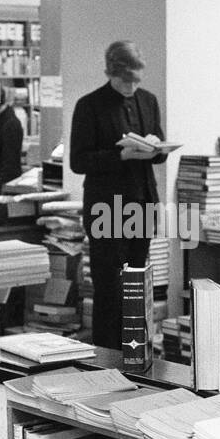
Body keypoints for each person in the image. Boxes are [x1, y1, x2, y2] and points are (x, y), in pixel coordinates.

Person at [69, 41, 166, 349]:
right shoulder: (89, 105)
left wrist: (156, 148)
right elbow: (78, 161)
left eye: (137, 80)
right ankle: (106, 356)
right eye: (126, 80)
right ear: (110, 73)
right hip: (106, 208)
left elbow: (160, 149)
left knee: (138, 284)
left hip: (142, 202)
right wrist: (119, 157)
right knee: (109, 287)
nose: (132, 87)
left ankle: (136, 352)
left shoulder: (147, 100)